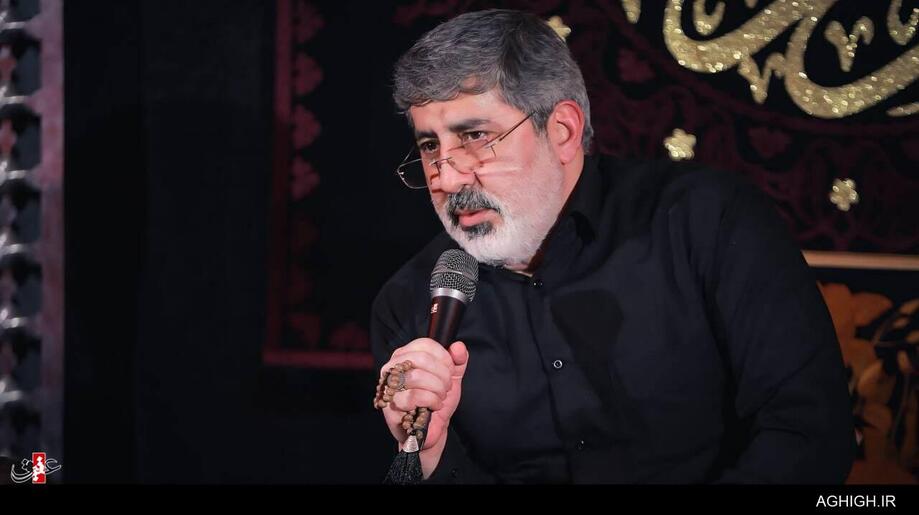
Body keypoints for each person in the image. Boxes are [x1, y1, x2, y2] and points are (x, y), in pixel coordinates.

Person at [370, 8, 855, 484]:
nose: (447, 178)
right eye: (430, 146)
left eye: (475, 136)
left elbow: (808, 435)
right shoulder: (410, 305)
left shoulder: (706, 222)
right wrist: (430, 455)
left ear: (562, 131)